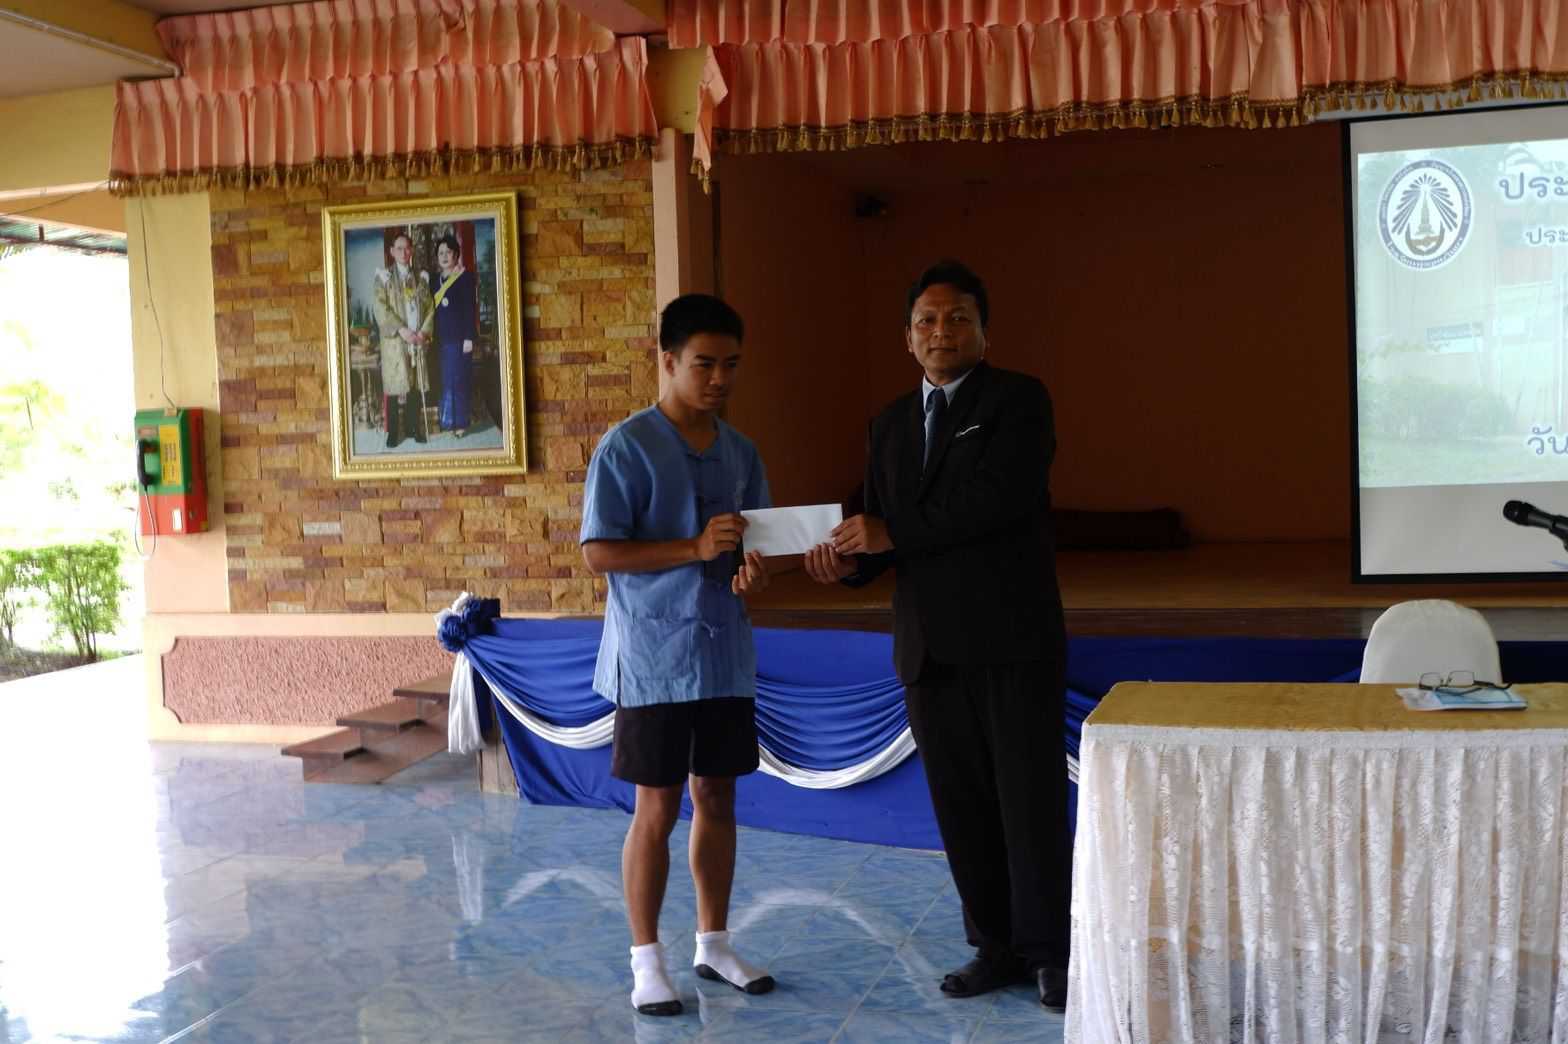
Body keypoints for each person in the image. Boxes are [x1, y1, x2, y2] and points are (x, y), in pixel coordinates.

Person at [803, 260, 1070, 1012]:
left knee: (1029, 803)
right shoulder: (889, 423)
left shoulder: (1018, 400)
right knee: (962, 807)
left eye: (957, 319)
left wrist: (890, 533)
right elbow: (881, 527)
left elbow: (999, 501)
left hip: (1011, 639)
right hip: (927, 647)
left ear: (984, 331)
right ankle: (996, 946)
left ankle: (1052, 952)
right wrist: (845, 565)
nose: (941, 332)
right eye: (926, 320)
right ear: (907, 336)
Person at [579, 293, 777, 1017]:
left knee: (717, 795)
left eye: (732, 365)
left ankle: (714, 943)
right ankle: (646, 961)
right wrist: (692, 548)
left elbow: (757, 547)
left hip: (723, 653)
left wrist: (754, 573)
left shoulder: (741, 452)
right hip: (654, 655)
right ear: (667, 360)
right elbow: (599, 552)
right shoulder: (626, 447)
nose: (720, 379)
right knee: (657, 805)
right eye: (704, 364)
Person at [372, 232, 434, 448]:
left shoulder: (420, 278)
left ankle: (413, 427)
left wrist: (423, 332)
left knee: (414, 384)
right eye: (399, 248)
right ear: (392, 251)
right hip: (396, 340)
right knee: (393, 384)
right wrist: (401, 329)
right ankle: (393, 432)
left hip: (416, 338)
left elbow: (429, 307)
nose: (404, 252)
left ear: (412, 250)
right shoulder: (384, 278)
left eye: (407, 248)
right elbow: (380, 307)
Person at [431, 233, 478, 437]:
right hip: (440, 339)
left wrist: (469, 337)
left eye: (448, 252)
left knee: (458, 380)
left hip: (459, 340)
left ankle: (460, 423)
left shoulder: (465, 277)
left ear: (456, 255)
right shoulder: (434, 281)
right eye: (440, 253)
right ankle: (447, 420)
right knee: (445, 380)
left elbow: (469, 308)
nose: (444, 256)